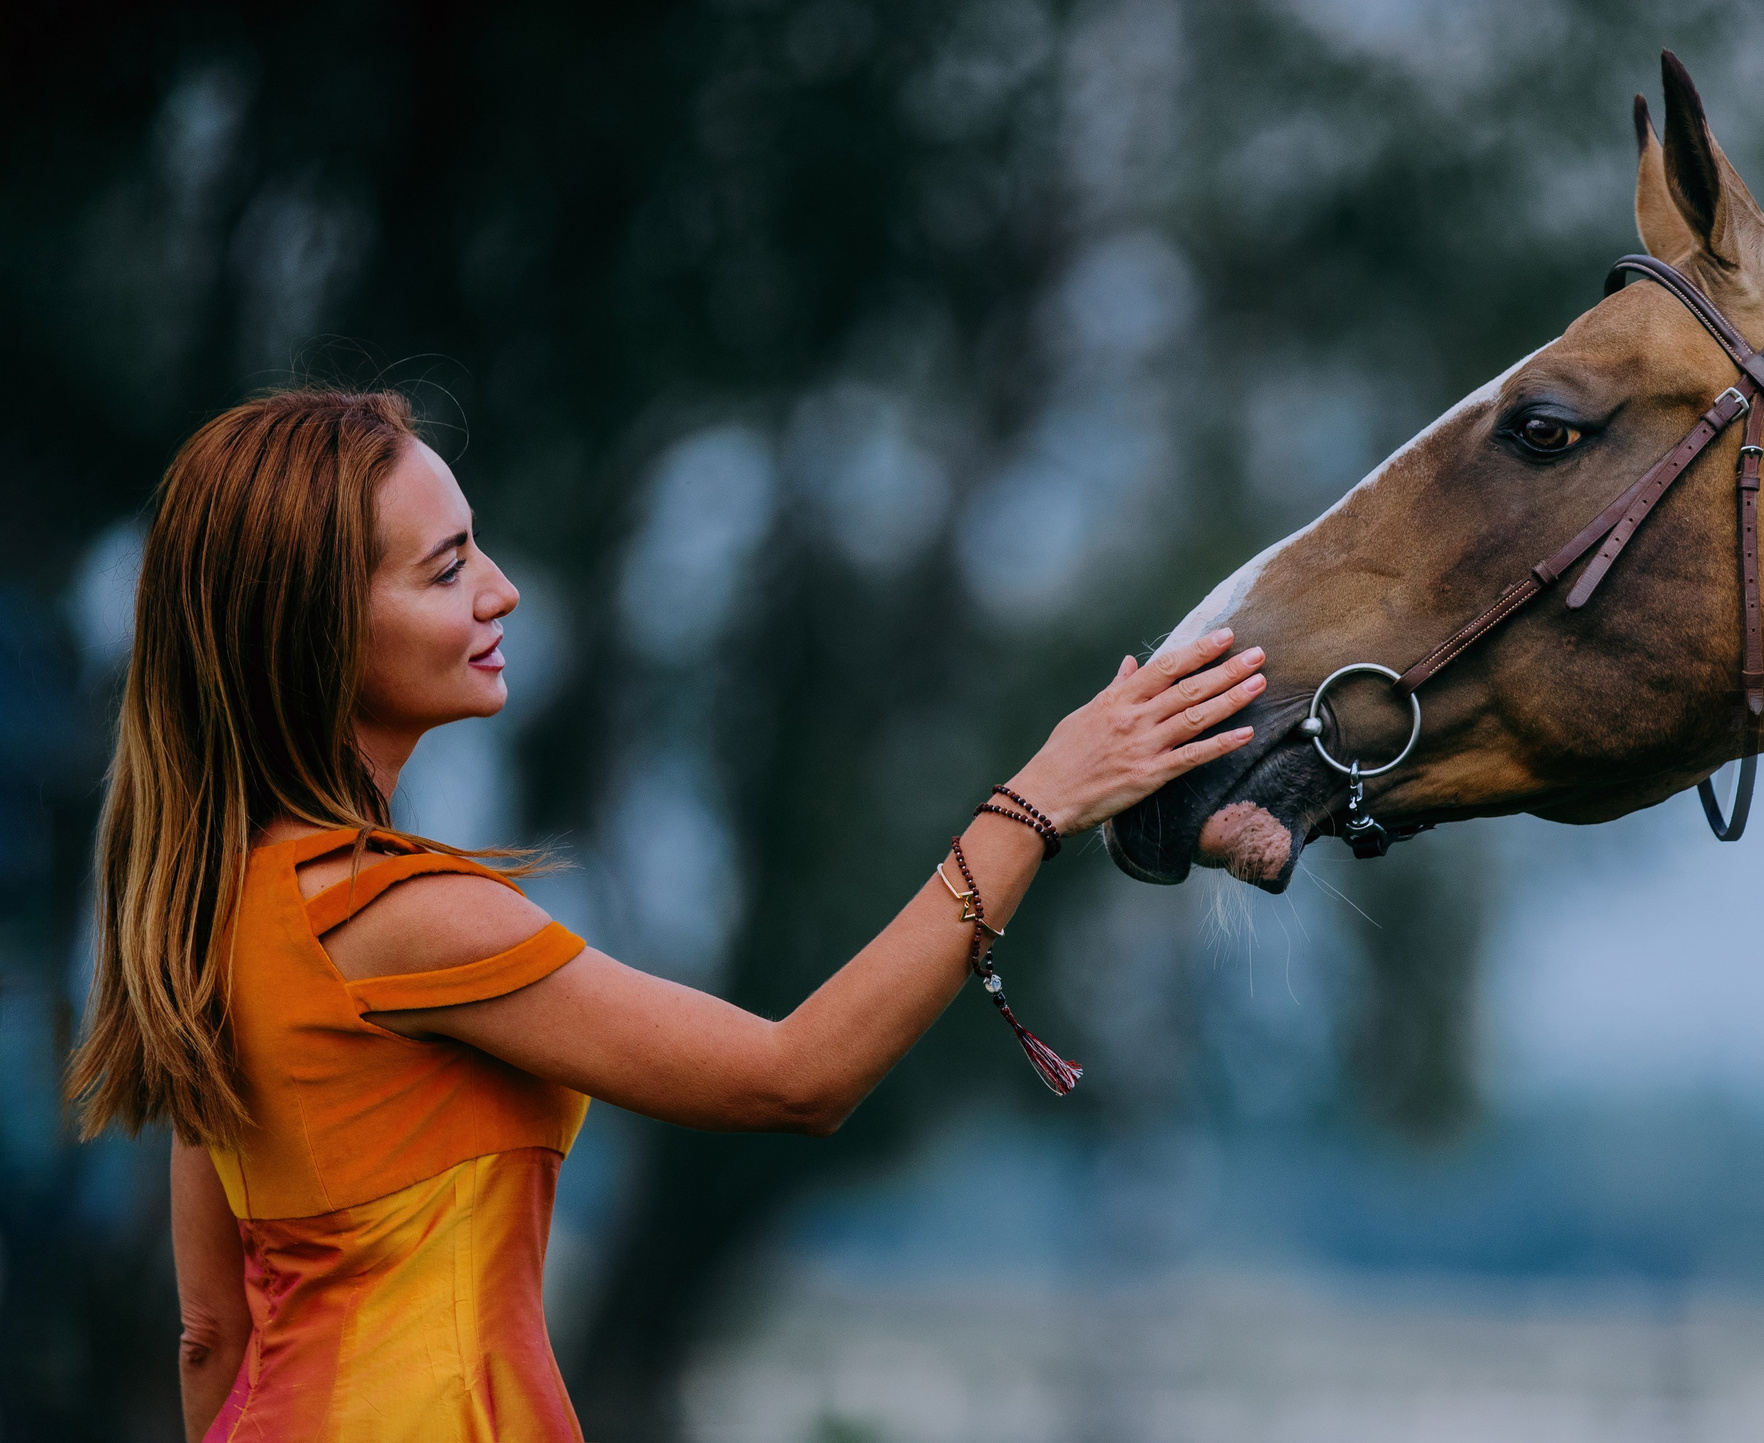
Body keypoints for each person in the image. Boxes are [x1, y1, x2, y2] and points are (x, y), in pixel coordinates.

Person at [62, 389, 1265, 1442]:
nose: (501, 590)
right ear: (319, 629)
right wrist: (1039, 800)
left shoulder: (218, 915)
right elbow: (798, 1076)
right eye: (446, 570)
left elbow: (212, 1337)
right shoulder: (407, 920)